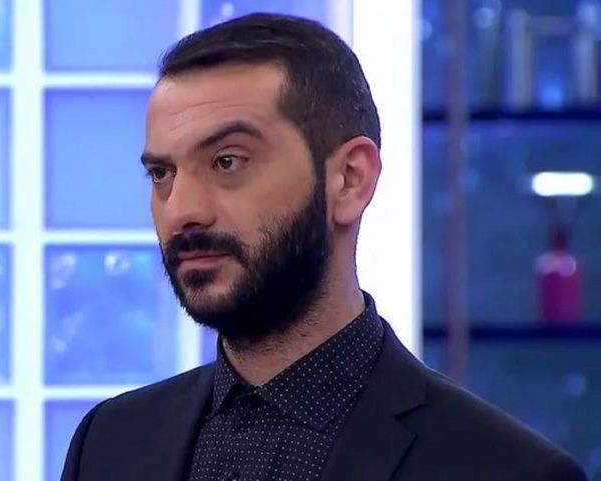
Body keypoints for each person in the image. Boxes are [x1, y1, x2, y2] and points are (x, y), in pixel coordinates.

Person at [61, 13, 588, 481]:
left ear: (349, 180)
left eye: (227, 161)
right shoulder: (109, 444)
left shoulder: (508, 470)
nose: (181, 210)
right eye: (162, 173)